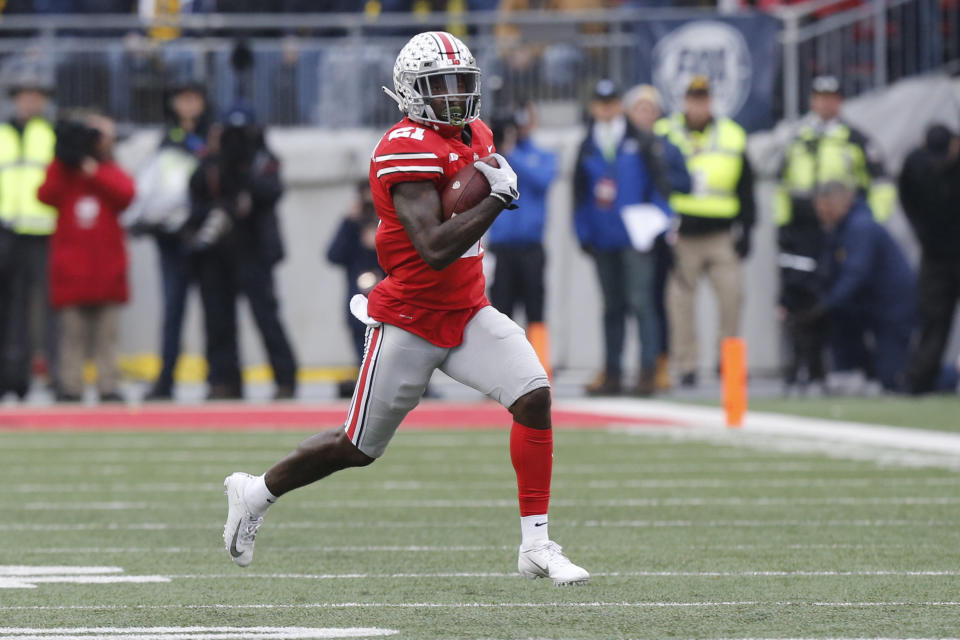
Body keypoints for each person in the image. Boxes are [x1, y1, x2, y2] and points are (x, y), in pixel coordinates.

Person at [222, 31, 589, 586]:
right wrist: (496, 196)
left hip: (467, 312)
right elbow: (436, 248)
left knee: (534, 395)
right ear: (411, 92)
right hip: (411, 319)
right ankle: (255, 492)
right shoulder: (402, 147)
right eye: (440, 86)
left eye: (462, 84)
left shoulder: (477, 131)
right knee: (357, 447)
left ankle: (536, 545)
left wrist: (490, 189)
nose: (454, 96)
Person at [774, 75, 896, 392]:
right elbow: (782, 186)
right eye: (820, 97)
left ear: (840, 101)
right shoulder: (798, 137)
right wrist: (782, 226)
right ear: (812, 100)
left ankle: (839, 369)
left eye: (831, 97)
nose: (825, 103)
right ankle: (801, 370)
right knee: (797, 297)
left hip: (840, 231)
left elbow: (881, 185)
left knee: (838, 298)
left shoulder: (855, 139)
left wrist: (870, 227)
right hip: (801, 232)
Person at [188, 104, 299, 401]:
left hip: (255, 251)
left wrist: (245, 173)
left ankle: (285, 379)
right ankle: (223, 381)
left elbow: (272, 191)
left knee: (266, 317)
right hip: (217, 254)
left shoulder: (264, 159)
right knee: (218, 320)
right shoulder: (208, 162)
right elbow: (195, 199)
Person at [654, 75, 755, 388]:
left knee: (732, 298)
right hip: (682, 233)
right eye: (693, 98)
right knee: (681, 303)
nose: (698, 105)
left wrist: (747, 229)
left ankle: (730, 363)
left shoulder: (732, 134)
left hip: (721, 234)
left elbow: (746, 186)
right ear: (685, 101)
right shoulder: (665, 132)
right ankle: (686, 365)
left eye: (704, 98)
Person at [574, 79, 672, 397]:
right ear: (594, 107)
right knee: (611, 307)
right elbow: (579, 196)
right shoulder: (587, 144)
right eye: (601, 103)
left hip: (636, 237)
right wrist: (583, 233)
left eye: (612, 102)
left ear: (620, 106)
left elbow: (659, 186)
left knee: (642, 303)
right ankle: (613, 372)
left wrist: (658, 223)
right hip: (604, 238)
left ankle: (647, 371)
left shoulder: (640, 140)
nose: (606, 108)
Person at [37, 112, 136, 403]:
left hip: (106, 270)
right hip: (71, 270)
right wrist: (64, 158)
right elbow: (44, 194)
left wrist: (94, 169)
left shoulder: (107, 169)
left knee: (107, 337)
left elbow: (126, 194)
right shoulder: (64, 172)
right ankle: (71, 386)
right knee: (72, 337)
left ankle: (108, 385)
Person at [123, 80, 209, 401]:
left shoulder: (211, 135)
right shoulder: (166, 138)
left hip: (203, 235)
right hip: (172, 239)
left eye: (193, 99)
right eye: (182, 99)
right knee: (173, 310)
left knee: (214, 311)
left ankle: (220, 378)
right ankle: (166, 380)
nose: (187, 106)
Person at [801, 181, 915, 392]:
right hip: (869, 307)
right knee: (839, 322)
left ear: (843, 203)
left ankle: (950, 376)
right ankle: (852, 373)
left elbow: (855, 275)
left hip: (892, 308)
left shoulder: (860, 227)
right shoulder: (838, 229)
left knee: (895, 377)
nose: (821, 214)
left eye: (826, 208)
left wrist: (826, 304)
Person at [623, 83, 691, 392]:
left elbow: (684, 181)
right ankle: (628, 365)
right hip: (626, 233)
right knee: (626, 302)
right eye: (640, 108)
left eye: (650, 108)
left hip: (657, 233)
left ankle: (659, 362)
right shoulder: (622, 143)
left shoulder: (666, 145)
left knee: (656, 300)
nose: (645, 114)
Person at [487, 104, 557, 377]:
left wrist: (513, 152)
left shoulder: (542, 156)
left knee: (536, 311)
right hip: (501, 247)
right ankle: (500, 373)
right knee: (500, 315)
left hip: (531, 247)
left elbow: (543, 180)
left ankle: (539, 371)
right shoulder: (494, 158)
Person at [0, 66, 57, 399]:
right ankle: (10, 379)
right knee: (8, 309)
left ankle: (54, 378)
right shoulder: (3, 133)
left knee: (48, 309)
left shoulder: (51, 133)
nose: (30, 101)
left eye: (36, 95)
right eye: (25, 94)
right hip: (5, 230)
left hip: (44, 231)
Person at [899, 125, 960, 394]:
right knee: (933, 323)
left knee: (933, 324)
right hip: (938, 254)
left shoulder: (915, 165)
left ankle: (919, 382)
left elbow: (906, 199)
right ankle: (920, 380)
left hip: (934, 255)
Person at [326, 180, 385, 397]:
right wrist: (349, 220)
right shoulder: (352, 227)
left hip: (388, 297)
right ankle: (367, 386)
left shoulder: (391, 223)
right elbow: (333, 255)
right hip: (359, 299)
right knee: (362, 348)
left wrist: (380, 238)